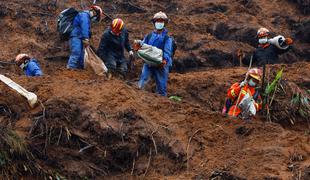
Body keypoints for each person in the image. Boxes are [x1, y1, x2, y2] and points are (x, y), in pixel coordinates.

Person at [138, 11, 173, 96]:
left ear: (165, 23)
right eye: (157, 21)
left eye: (161, 21)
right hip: (149, 62)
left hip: (161, 64)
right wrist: (138, 45)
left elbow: (167, 51)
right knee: (143, 80)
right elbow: (144, 45)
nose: (159, 23)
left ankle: (162, 102)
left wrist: (164, 60)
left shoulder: (167, 38)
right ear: (154, 22)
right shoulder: (149, 35)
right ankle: (139, 98)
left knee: (161, 85)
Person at [67, 5, 103, 69]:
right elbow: (84, 27)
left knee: (81, 55)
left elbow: (90, 25)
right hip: (76, 36)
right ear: (93, 12)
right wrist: (86, 38)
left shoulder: (87, 17)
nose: (94, 17)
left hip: (79, 37)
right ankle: (70, 68)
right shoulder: (84, 15)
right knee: (76, 52)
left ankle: (80, 69)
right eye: (95, 15)